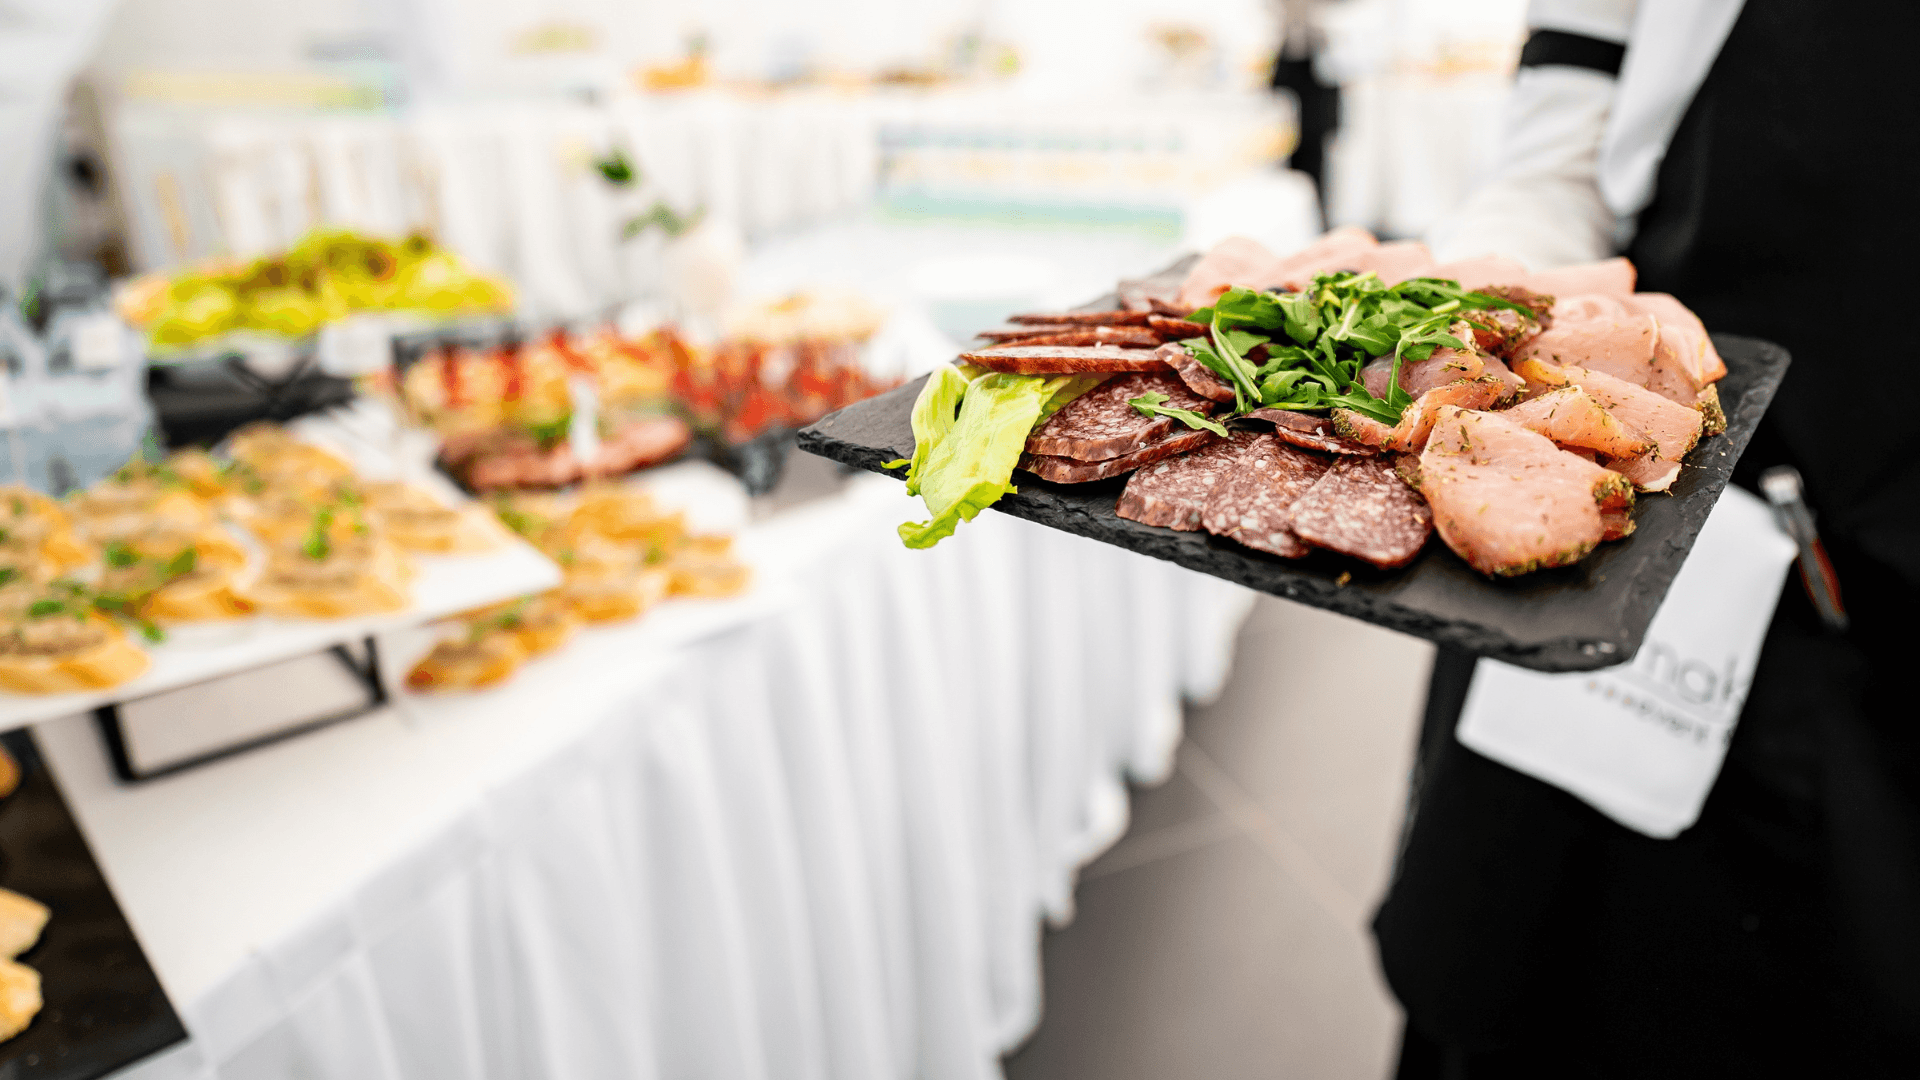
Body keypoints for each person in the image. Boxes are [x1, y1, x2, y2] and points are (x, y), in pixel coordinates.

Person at [1373, 1, 1920, 1076]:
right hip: (1619, 519)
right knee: (1529, 961)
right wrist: (1482, 305)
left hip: (1893, 604)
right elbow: (1558, 162)